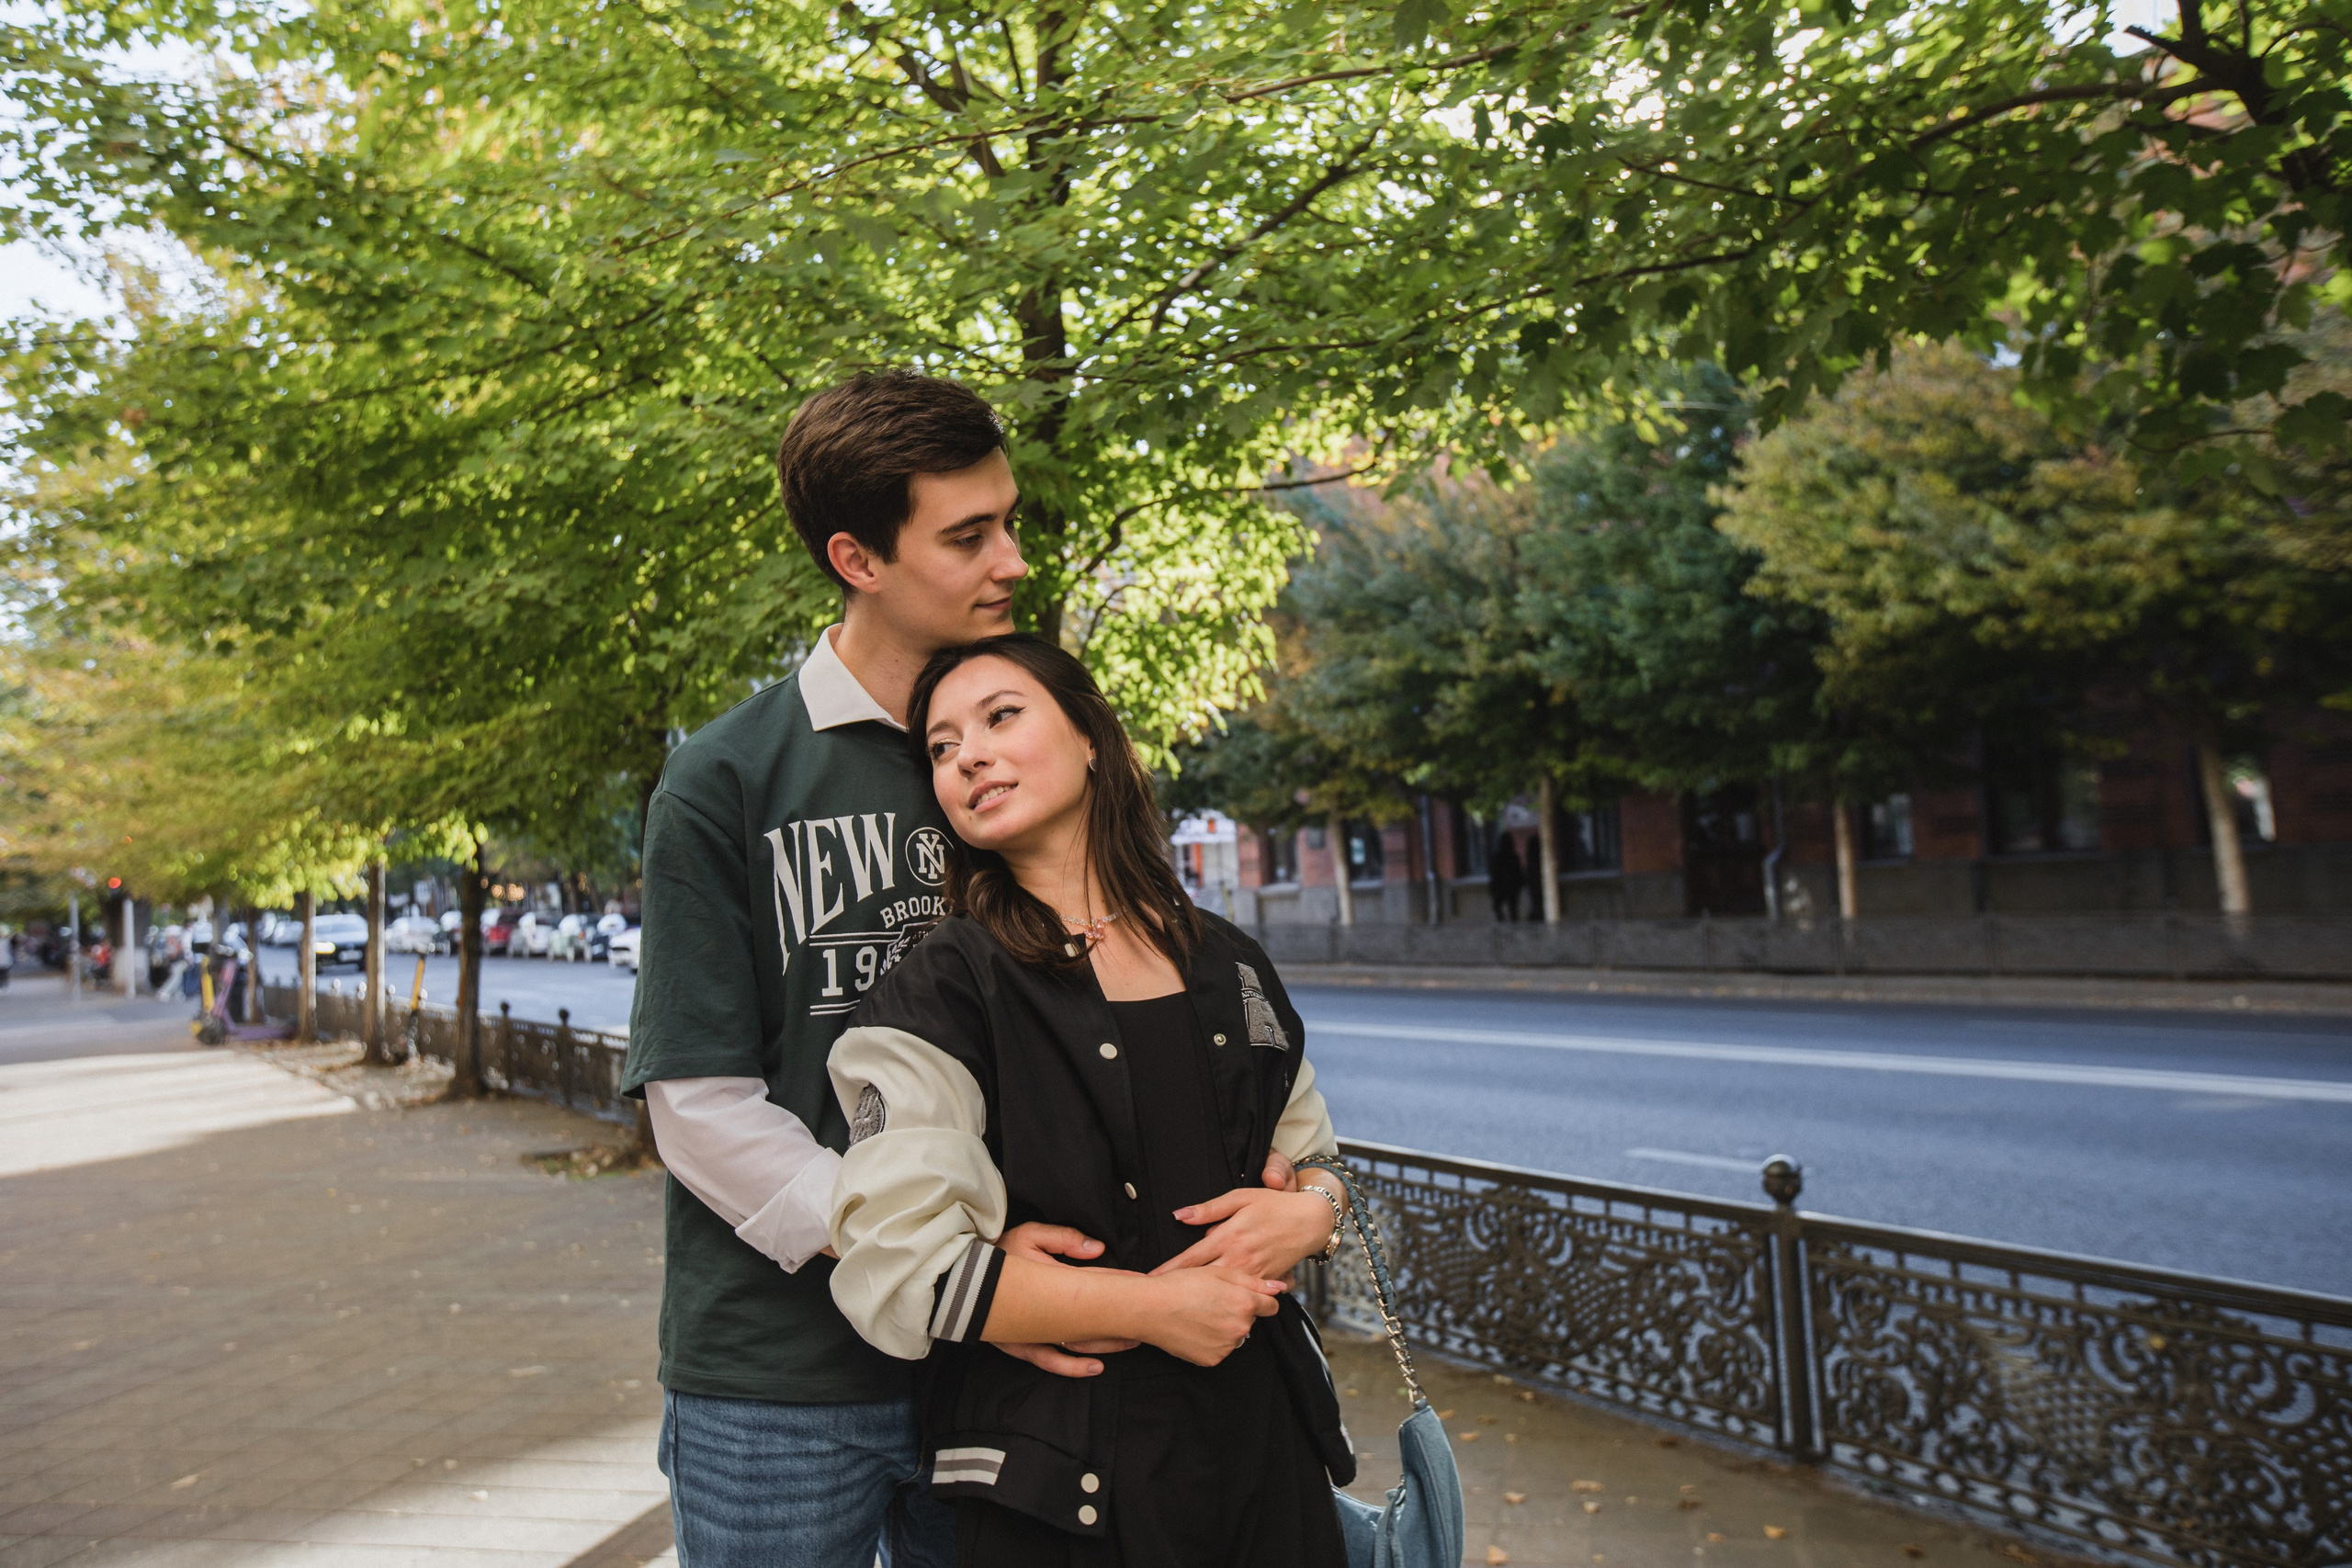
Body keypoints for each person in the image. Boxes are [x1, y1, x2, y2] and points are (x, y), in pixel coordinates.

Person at [617, 374, 1297, 1567]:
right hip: (780, 1378)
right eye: (970, 533)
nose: (1014, 559)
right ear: (858, 556)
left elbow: (1140, 998)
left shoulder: (1035, 742)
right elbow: (702, 1106)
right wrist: (942, 1265)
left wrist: (1289, 1184)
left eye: (1011, 520)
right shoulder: (727, 777)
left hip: (1022, 1374)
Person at [826, 633, 1356, 1568]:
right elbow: (905, 1271)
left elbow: (1317, 1162)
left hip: (1264, 1454)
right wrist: (1149, 1308)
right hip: (1063, 1486)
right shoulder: (942, 985)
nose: (968, 756)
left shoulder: (1226, 960)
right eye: (941, 748)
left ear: (1090, 740)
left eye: (1000, 716)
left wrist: (1312, 1215)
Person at [1487, 831, 1523, 922]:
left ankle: (1502, 924)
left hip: (1503, 887)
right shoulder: (1513, 857)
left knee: (1500, 909)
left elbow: (1493, 873)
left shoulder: (1499, 857)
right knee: (1512, 911)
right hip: (1509, 887)